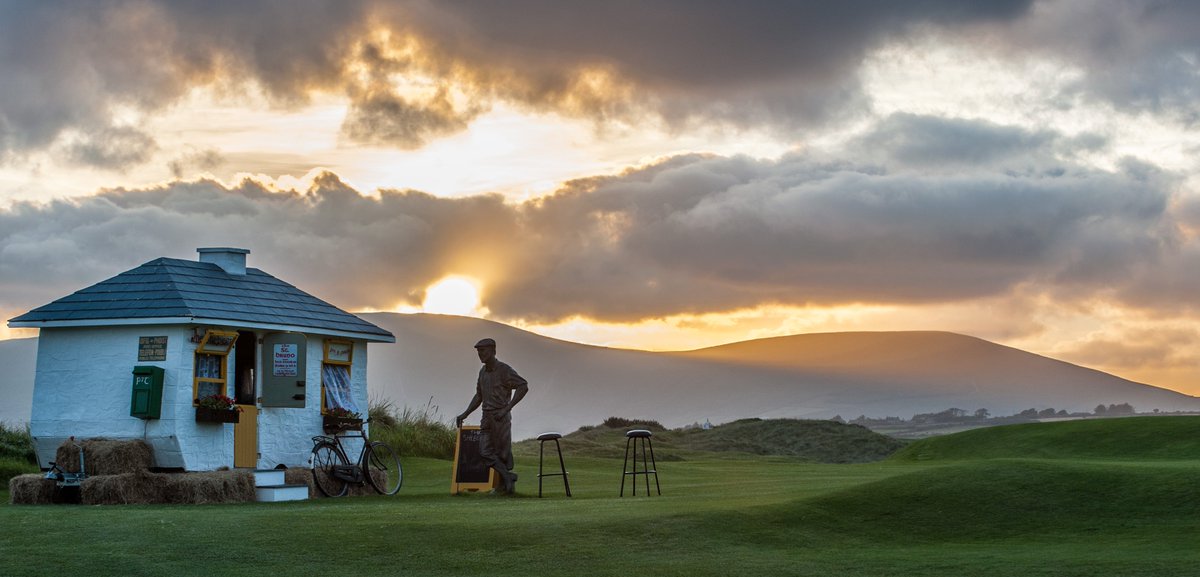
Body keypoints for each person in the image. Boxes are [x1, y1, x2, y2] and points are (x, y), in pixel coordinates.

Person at [455, 338, 528, 494]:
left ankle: (504, 485)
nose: (480, 354)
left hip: (500, 417)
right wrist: (465, 413)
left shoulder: (504, 370)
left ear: (493, 351)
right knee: (484, 451)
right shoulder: (482, 372)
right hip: (486, 416)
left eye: (483, 351)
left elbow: (523, 386)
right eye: (478, 352)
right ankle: (508, 477)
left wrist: (507, 409)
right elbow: (479, 396)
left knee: (502, 452)